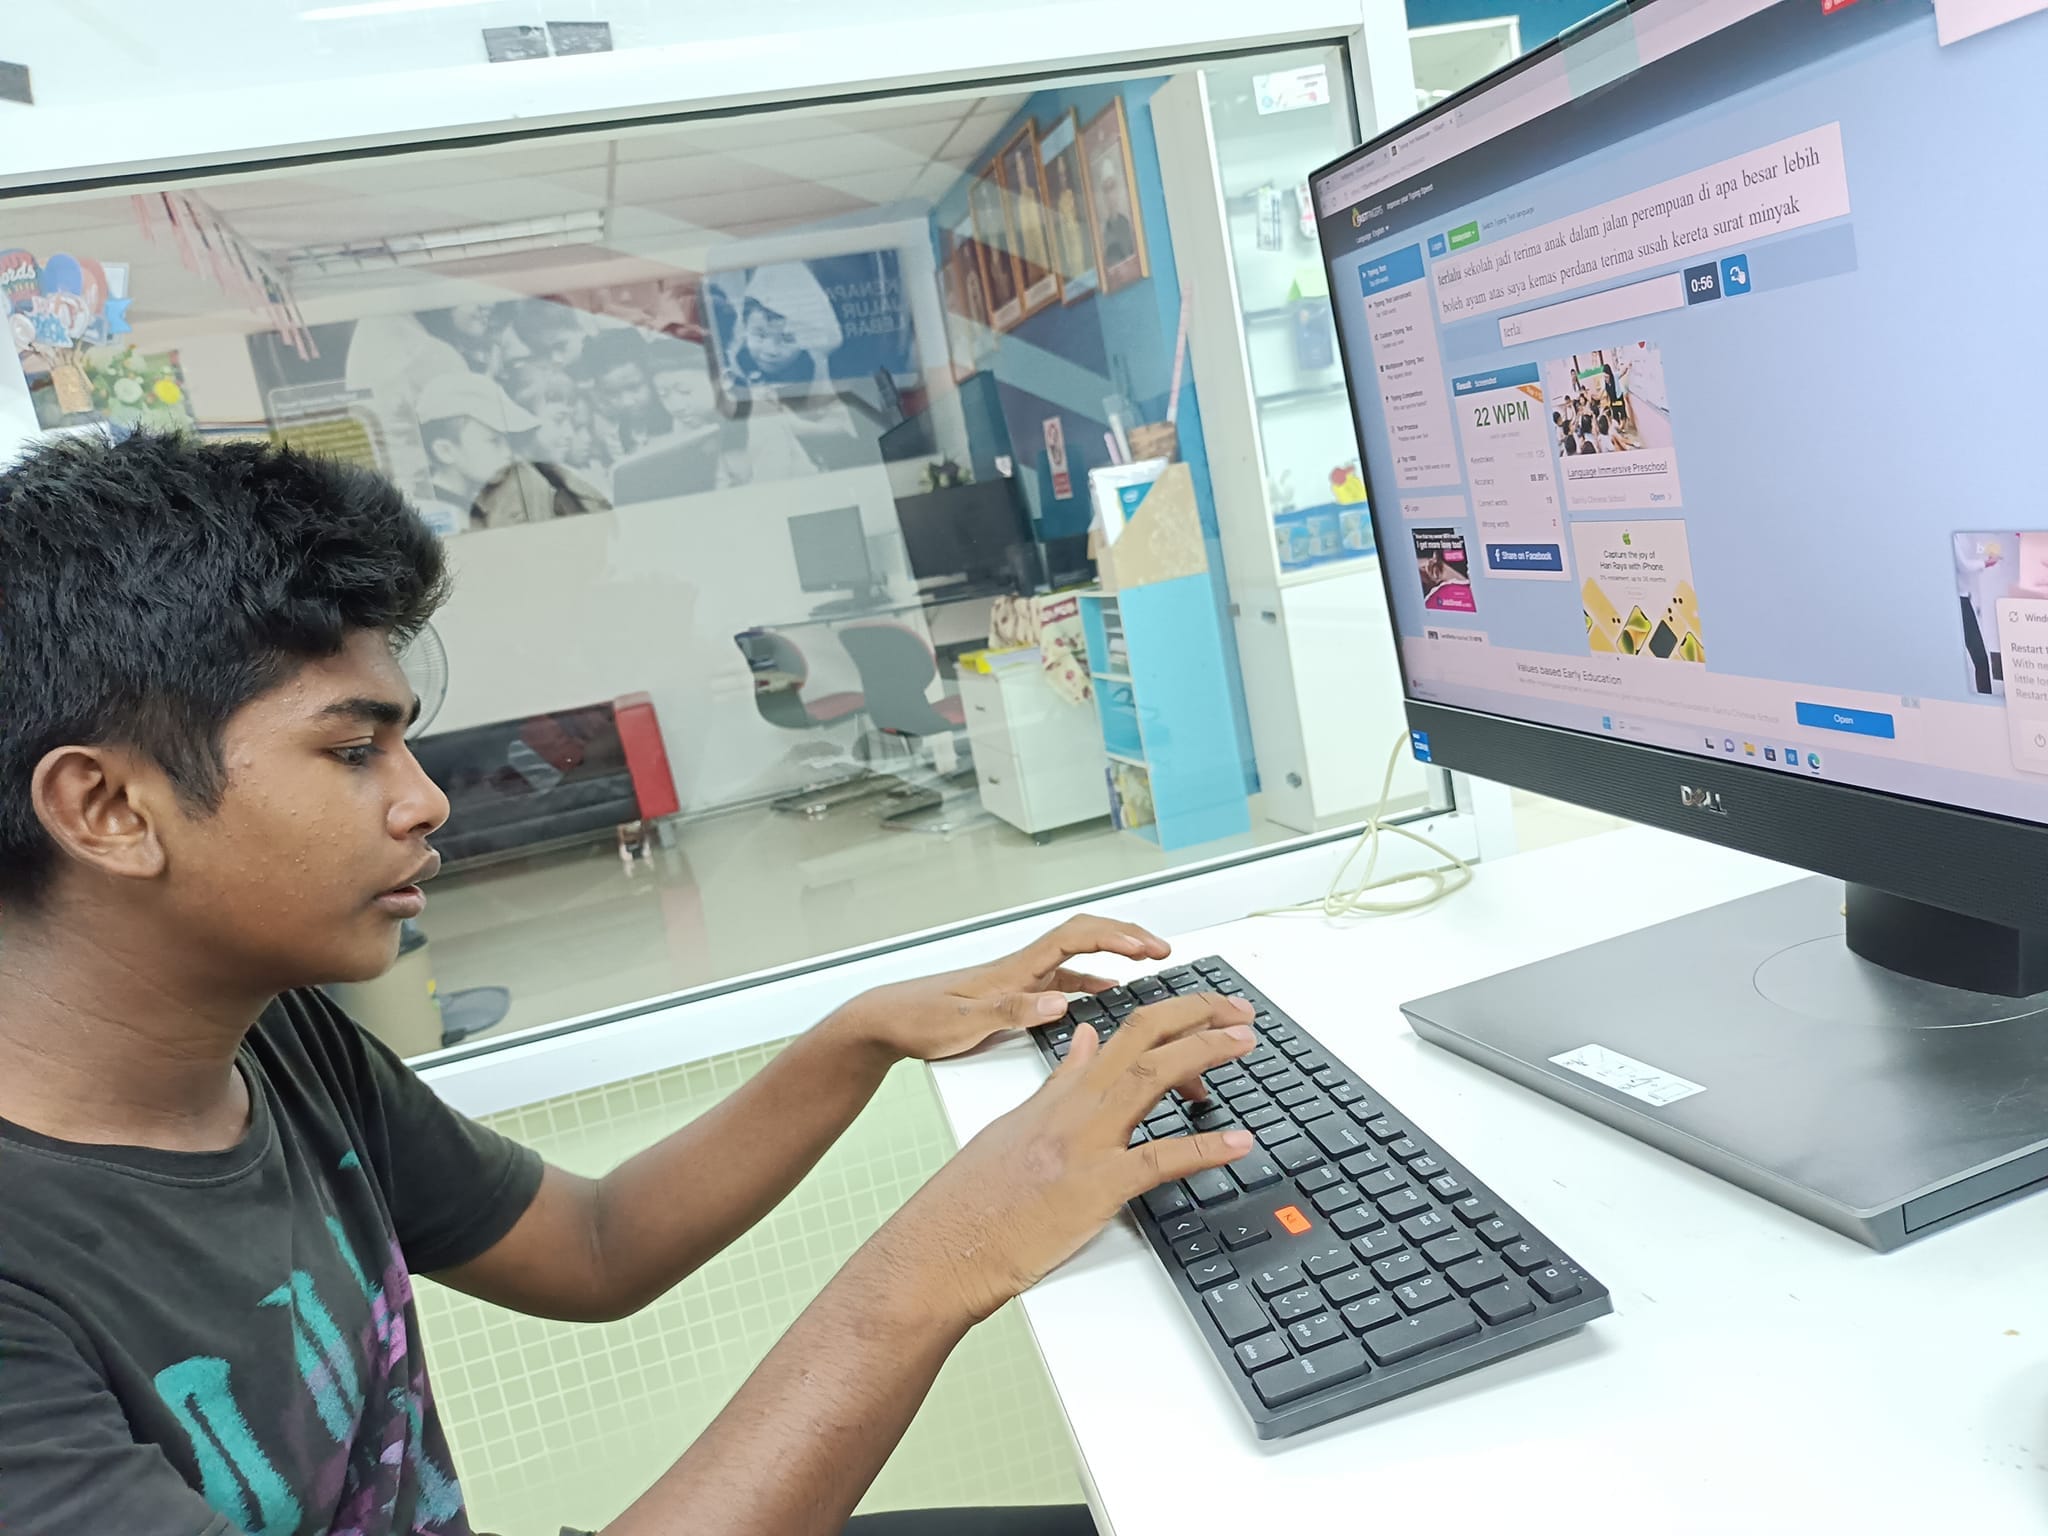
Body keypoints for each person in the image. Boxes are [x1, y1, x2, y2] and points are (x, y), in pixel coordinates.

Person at [0, 430, 1256, 1536]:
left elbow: (595, 1248)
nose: (425, 801)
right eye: (351, 750)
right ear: (106, 808)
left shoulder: (277, 1048)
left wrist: (859, 1035)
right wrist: (949, 1254)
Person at [415, 370, 609, 530]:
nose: (507, 452)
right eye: (494, 441)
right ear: (445, 451)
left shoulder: (496, 492)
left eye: (507, 441)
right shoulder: (429, 517)